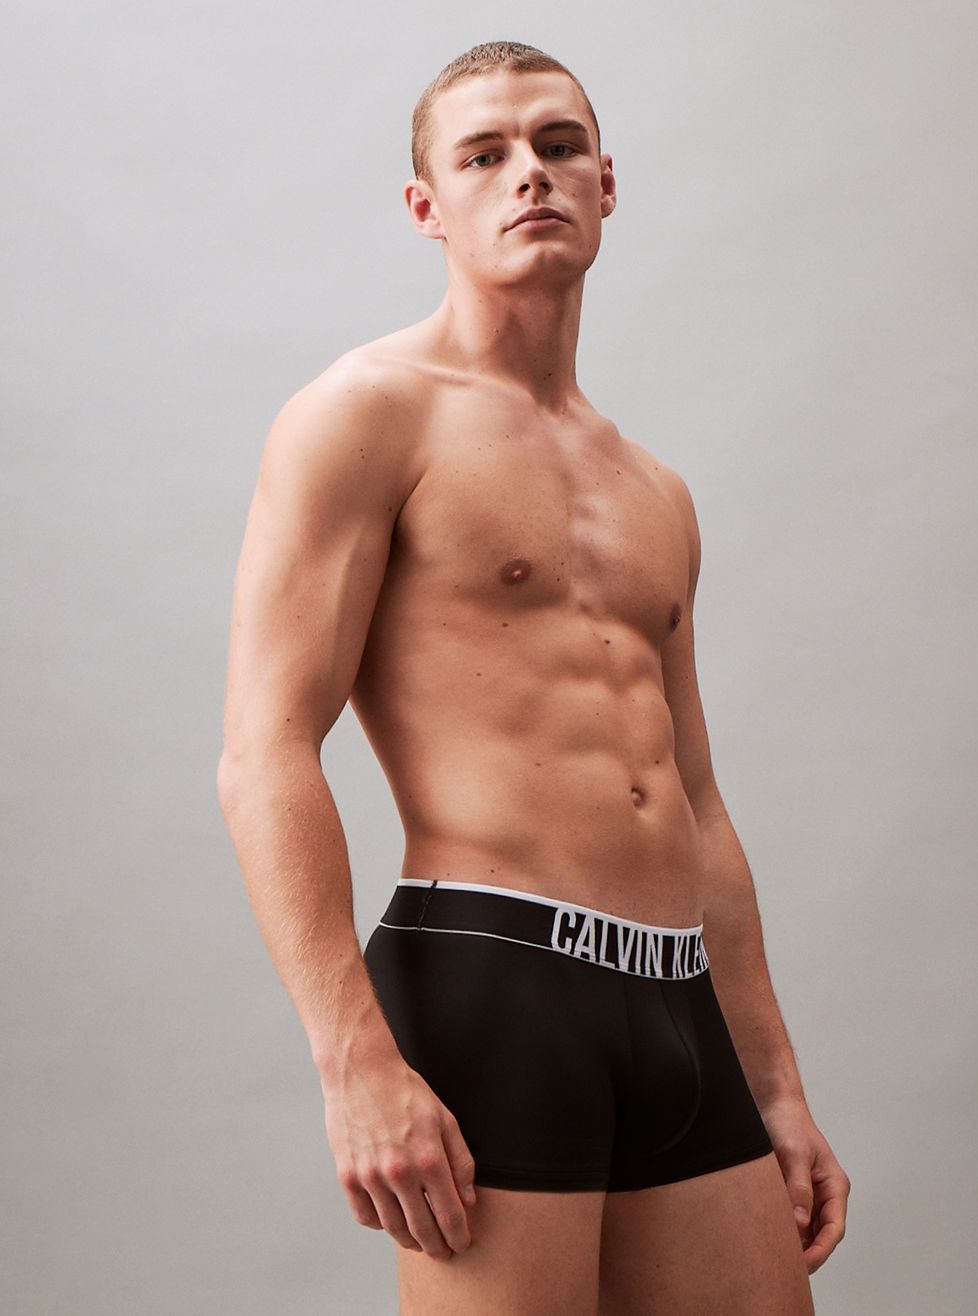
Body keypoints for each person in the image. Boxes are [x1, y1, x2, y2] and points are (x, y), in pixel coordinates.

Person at [217, 39, 849, 1315]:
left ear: (605, 184)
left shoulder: (652, 488)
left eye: (559, 146)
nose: (529, 174)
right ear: (427, 206)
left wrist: (773, 1078)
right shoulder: (366, 414)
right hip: (491, 982)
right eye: (485, 154)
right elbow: (264, 749)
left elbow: (696, 802)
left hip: (676, 999)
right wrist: (352, 1059)